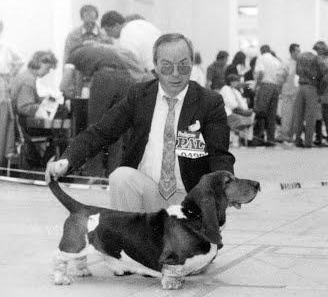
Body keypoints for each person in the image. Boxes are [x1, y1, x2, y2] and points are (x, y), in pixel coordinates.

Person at [45, 33, 235, 213]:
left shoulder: (210, 102)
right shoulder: (139, 95)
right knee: (121, 177)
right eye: (167, 66)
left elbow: (219, 154)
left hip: (191, 200)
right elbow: (100, 133)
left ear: (192, 64)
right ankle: (129, 242)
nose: (176, 73)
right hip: (147, 196)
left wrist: (228, 187)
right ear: (156, 66)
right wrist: (66, 160)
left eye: (183, 66)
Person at [65, 43, 147, 177]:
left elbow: (64, 84)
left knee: (95, 129)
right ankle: (113, 175)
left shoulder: (73, 55)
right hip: (127, 79)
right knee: (116, 129)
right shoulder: (101, 49)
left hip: (104, 78)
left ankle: (94, 175)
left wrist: (67, 94)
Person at [10, 51, 65, 167]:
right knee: (60, 134)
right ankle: (45, 164)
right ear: (40, 62)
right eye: (48, 68)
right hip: (23, 125)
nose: (48, 72)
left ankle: (40, 163)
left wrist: (44, 100)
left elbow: (27, 98)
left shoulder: (25, 75)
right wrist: (45, 107)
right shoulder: (28, 80)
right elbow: (24, 106)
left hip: (19, 123)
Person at [292, 51, 328, 148]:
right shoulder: (317, 59)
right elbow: (326, 74)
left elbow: (297, 72)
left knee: (298, 115)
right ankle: (308, 142)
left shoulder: (300, 58)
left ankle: (297, 139)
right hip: (312, 88)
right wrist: (321, 91)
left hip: (300, 88)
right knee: (310, 116)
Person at [0, 20, 24, 165]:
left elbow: (20, 61)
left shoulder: (6, 47)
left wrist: (9, 76)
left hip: (1, 85)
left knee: (2, 123)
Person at [251, 45, 282, 146]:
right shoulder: (276, 60)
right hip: (275, 87)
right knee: (272, 115)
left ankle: (258, 138)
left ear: (261, 51)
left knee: (260, 112)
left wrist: (256, 85)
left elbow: (260, 73)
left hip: (265, 86)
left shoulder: (261, 58)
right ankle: (271, 140)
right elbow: (280, 77)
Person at [219, 72, 254, 144]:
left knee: (252, 116)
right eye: (236, 81)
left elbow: (243, 104)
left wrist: (246, 110)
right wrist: (243, 111)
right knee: (239, 119)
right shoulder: (225, 89)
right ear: (231, 82)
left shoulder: (235, 91)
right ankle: (233, 139)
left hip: (237, 111)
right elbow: (232, 105)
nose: (238, 83)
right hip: (228, 113)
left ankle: (246, 140)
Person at [278, 43, 300, 144]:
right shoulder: (286, 63)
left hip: (297, 94)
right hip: (288, 94)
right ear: (292, 52)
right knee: (287, 116)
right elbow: (280, 77)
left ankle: (291, 135)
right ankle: (284, 135)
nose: (299, 53)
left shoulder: (299, 63)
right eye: (297, 51)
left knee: (295, 117)